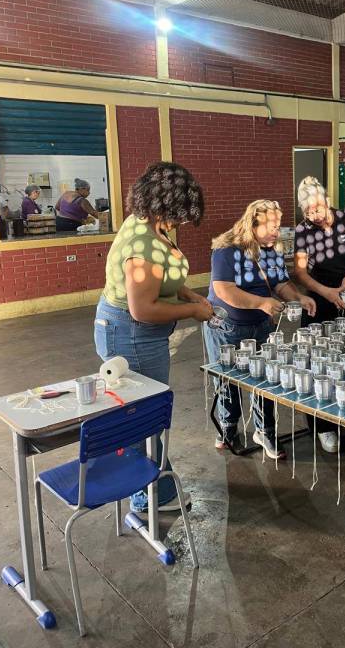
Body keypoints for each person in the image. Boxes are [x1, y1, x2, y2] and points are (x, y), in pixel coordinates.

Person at [94, 161, 213, 513]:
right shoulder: (142, 245)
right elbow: (143, 308)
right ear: (164, 204)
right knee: (143, 417)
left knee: (146, 412)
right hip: (132, 336)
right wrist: (192, 312)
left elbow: (163, 280)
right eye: (179, 214)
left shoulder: (146, 221)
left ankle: (153, 488)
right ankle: (150, 497)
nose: (180, 222)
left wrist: (189, 295)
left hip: (137, 335)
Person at [204, 199, 316, 459]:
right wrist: (261, 303)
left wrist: (298, 298)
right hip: (227, 327)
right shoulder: (226, 250)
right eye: (271, 226)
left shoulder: (272, 250)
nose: (277, 231)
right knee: (226, 379)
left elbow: (280, 283)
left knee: (265, 378)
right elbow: (224, 290)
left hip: (261, 325)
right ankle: (228, 427)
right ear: (252, 224)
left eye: (279, 225)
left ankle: (264, 430)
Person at [293, 176, 345, 453]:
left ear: (327, 201)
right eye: (308, 212)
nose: (314, 216)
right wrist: (325, 292)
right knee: (320, 364)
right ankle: (323, 428)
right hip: (320, 301)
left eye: (317, 209)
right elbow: (300, 272)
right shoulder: (303, 230)